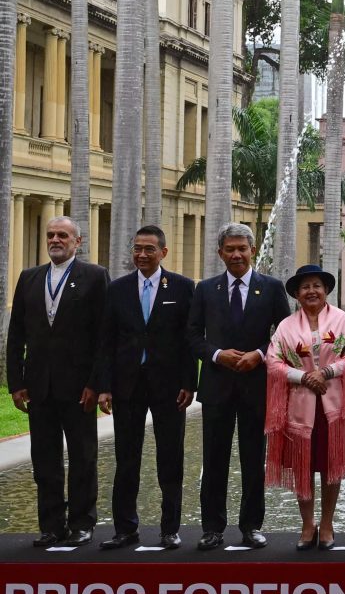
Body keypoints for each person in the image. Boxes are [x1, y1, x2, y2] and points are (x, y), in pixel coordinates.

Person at [187, 223, 290, 551]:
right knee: (214, 459)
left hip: (256, 387)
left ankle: (251, 526)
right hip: (217, 387)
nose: (236, 254)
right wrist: (217, 355)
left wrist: (260, 355)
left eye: (241, 248)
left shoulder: (272, 288)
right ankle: (212, 528)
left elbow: (285, 334)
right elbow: (191, 336)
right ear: (220, 253)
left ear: (253, 250)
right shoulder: (205, 289)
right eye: (229, 249)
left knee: (252, 459)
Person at [7, 216, 109, 547]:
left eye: (62, 235)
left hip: (80, 388)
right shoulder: (30, 278)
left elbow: (102, 338)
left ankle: (82, 522)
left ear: (77, 242)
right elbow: (16, 334)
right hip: (39, 387)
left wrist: (96, 383)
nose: (54, 239)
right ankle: (51, 524)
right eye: (51, 235)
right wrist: (15, 382)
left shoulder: (94, 277)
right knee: (44, 459)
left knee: (83, 457)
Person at [95, 225, 195, 550]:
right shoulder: (118, 288)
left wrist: (188, 383)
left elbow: (188, 342)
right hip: (127, 387)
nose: (141, 254)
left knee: (170, 458)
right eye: (137, 248)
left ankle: (170, 528)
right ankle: (125, 529)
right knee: (126, 459)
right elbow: (106, 341)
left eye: (149, 249)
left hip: (169, 389)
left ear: (163, 252)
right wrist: (104, 387)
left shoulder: (182, 287)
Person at [266, 265, 345, 551]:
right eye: (305, 287)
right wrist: (303, 377)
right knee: (302, 467)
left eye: (316, 286)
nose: (311, 291)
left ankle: (328, 523)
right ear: (296, 294)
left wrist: (328, 372)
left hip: (334, 407)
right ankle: (308, 525)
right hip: (300, 406)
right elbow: (273, 362)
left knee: (332, 466)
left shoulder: (342, 320)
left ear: (326, 290)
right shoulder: (286, 326)